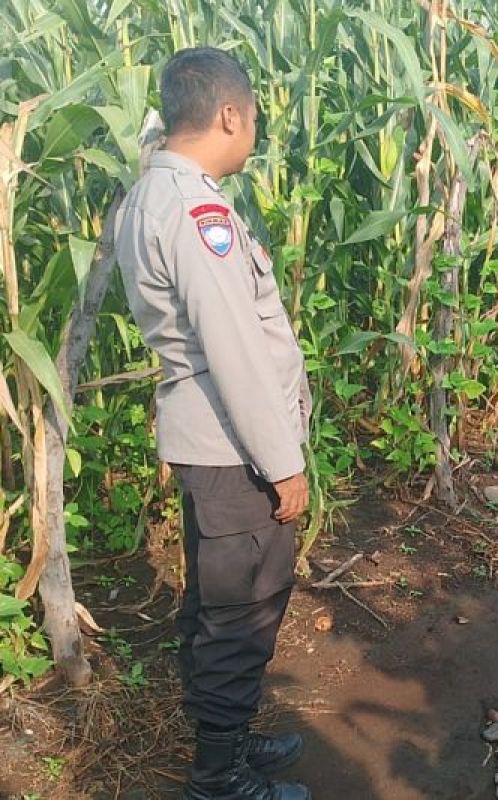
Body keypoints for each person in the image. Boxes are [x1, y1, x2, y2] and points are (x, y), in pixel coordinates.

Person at [115, 48, 311, 800]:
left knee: (216, 601)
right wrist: (283, 463)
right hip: (236, 452)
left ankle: (228, 741)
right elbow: (234, 353)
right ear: (229, 114)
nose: (253, 129)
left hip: (209, 442)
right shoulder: (198, 213)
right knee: (243, 608)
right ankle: (217, 779)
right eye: (254, 117)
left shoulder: (150, 194)